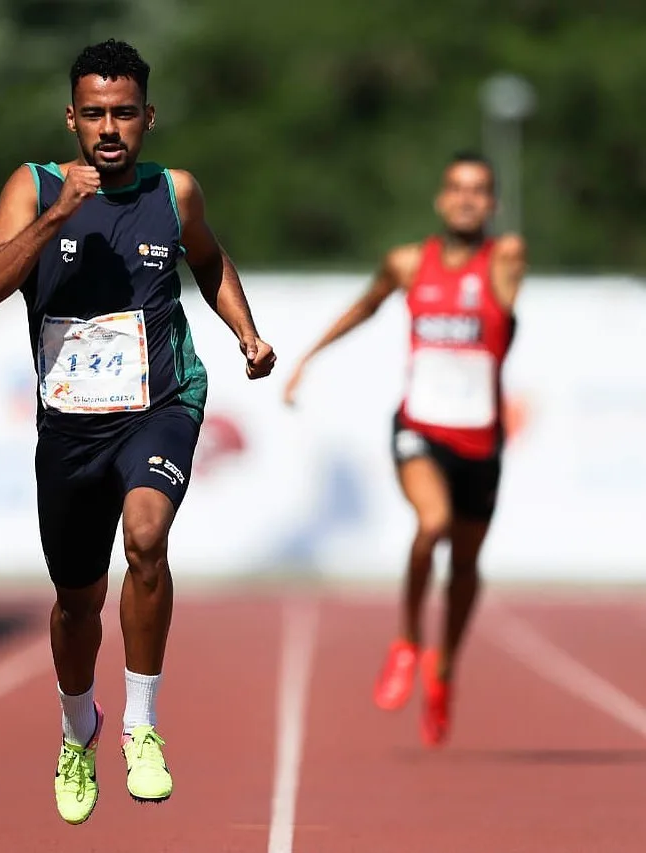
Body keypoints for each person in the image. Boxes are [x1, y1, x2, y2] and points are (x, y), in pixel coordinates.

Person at [0, 38, 276, 824]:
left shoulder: (175, 192)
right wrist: (60, 215)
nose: (109, 128)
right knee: (76, 602)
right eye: (94, 114)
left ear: (147, 117)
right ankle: (79, 732)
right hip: (70, 424)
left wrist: (244, 331)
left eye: (124, 114)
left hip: (159, 402)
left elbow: (206, 261)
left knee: (146, 538)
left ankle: (141, 724)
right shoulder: (34, 187)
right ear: (71, 118)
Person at [282, 151, 525, 747]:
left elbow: (506, 311)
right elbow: (366, 306)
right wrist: (308, 359)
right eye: (457, 189)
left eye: (479, 191)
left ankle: (443, 668)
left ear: (491, 203)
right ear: (441, 199)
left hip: (481, 437)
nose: (467, 199)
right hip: (419, 425)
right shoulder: (409, 263)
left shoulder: (505, 260)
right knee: (432, 524)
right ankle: (408, 641)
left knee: (465, 567)